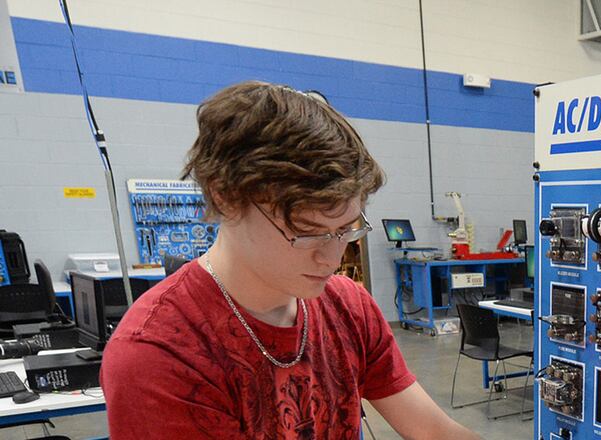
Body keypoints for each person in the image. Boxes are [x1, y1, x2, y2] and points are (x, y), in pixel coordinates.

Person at [100, 81, 481, 439]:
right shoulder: (158, 355)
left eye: (347, 229)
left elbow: (433, 430)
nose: (332, 257)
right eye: (308, 231)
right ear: (226, 198)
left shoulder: (348, 305)